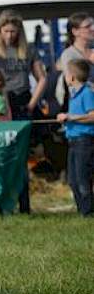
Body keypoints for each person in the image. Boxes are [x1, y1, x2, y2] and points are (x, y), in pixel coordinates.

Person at [0, 9, 46, 213]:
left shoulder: (28, 49)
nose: (10, 36)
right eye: (6, 31)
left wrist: (33, 104)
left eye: (14, 32)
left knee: (22, 157)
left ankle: (25, 206)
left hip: (23, 103)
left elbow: (42, 78)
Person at [56, 59, 94, 217]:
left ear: (71, 78)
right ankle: (81, 210)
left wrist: (71, 118)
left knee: (83, 180)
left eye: (65, 74)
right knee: (73, 180)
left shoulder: (86, 93)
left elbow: (92, 116)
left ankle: (88, 212)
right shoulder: (73, 94)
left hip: (83, 141)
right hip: (72, 141)